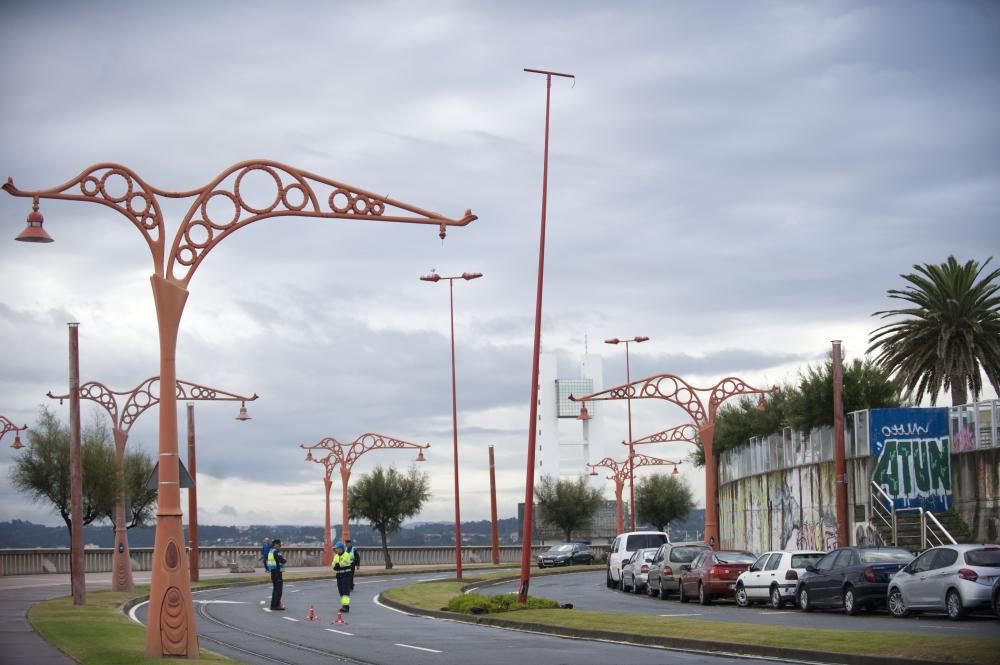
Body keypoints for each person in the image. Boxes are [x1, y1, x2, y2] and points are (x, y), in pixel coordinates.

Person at [331, 540, 354, 613]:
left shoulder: (346, 555)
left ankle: (346, 606)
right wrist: (336, 566)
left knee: (345, 591)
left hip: (346, 575)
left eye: (338, 548)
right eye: (336, 549)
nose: (337, 550)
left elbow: (343, 563)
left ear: (342, 548)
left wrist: (338, 565)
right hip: (339, 575)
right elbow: (333, 565)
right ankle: (343, 605)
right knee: (340, 591)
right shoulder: (336, 556)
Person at [267, 539, 286, 610]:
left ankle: (274, 604)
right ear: (275, 545)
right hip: (277, 572)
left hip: (273, 572)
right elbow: (281, 560)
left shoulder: (271, 551)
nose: (280, 546)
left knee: (275, 589)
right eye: (279, 545)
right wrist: (285, 560)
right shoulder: (276, 551)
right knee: (278, 590)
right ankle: (275, 605)